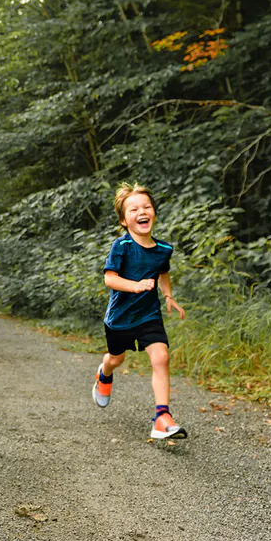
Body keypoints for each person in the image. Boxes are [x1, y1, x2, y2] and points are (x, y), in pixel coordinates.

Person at [92, 182, 188, 441]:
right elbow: (110, 279)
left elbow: (163, 271)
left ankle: (161, 417)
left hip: (149, 315)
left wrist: (168, 296)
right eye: (133, 209)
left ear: (154, 212)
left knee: (161, 357)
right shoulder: (121, 247)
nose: (141, 211)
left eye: (146, 206)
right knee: (116, 359)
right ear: (124, 220)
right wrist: (134, 286)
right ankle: (104, 373)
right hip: (120, 318)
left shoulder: (164, 249)